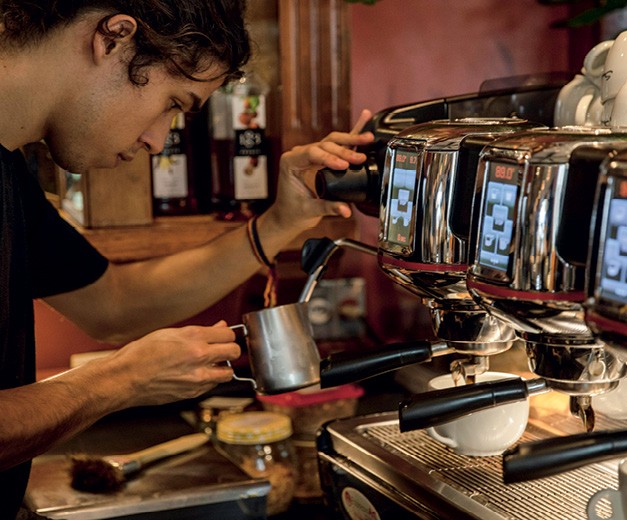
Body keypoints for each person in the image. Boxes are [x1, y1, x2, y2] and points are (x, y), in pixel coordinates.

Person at [0, 1, 374, 516]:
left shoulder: (9, 172)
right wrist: (120, 380)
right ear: (114, 38)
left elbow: (113, 302)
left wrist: (280, 222)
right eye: (173, 102)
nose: (158, 140)